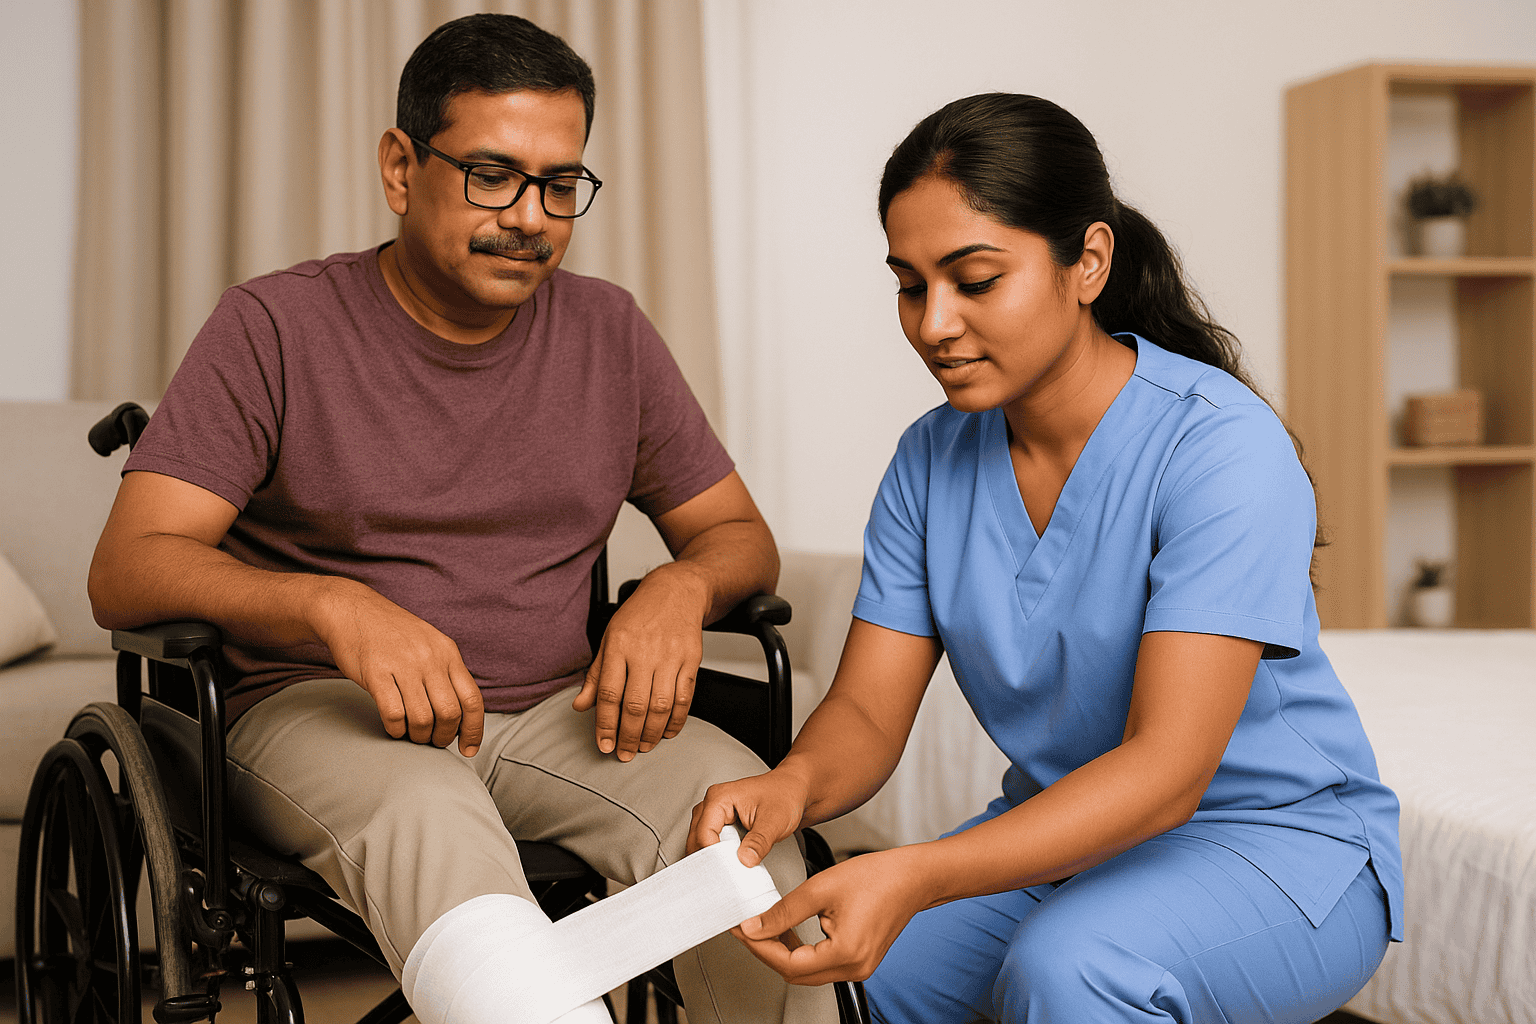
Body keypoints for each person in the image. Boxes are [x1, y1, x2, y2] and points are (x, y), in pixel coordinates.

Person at [87, 13, 835, 1024]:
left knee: (740, 819)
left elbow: (740, 536)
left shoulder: (610, 332)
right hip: (322, 710)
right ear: (402, 167)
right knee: (431, 813)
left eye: (560, 184)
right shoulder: (274, 326)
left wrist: (680, 586)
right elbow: (127, 568)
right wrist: (333, 608)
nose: (530, 216)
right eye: (492, 174)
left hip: (554, 714)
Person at [688, 92, 1403, 1024]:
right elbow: (866, 709)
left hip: (1279, 844)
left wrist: (915, 872)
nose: (933, 323)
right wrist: (790, 787)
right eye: (911, 284)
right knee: (851, 989)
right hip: (1071, 839)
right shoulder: (929, 460)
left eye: (974, 279)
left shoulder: (1221, 447)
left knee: (1072, 968)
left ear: (1089, 262)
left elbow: (1168, 770)